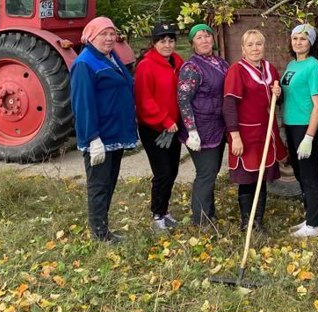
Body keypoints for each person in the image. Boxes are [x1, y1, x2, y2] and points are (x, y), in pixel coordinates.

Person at [70, 16, 138, 244]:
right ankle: (100, 234)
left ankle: (103, 228)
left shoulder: (111, 57)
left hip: (114, 133)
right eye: (104, 34)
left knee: (109, 183)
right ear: (91, 36)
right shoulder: (85, 63)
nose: (110, 38)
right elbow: (83, 104)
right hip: (100, 137)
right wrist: (92, 138)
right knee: (99, 185)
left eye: (112, 33)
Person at [223, 29, 287, 232]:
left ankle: (258, 221)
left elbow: (278, 100)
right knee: (247, 178)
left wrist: (279, 93)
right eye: (250, 44)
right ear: (243, 48)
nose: (255, 48)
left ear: (264, 46)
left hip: (266, 134)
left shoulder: (270, 69)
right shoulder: (237, 70)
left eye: (258, 44)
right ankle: (246, 222)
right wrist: (235, 137)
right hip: (245, 135)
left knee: (262, 178)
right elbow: (229, 104)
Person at [176, 23, 229, 227]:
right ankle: (201, 220)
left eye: (207, 36)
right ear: (192, 43)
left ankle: (209, 213)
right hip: (200, 128)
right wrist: (191, 131)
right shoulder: (192, 68)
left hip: (217, 125)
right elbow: (183, 99)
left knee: (212, 170)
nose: (205, 40)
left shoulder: (220, 63)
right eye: (199, 37)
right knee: (206, 173)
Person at [134, 23, 184, 231]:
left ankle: (165, 211)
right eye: (162, 41)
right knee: (162, 171)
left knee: (172, 170)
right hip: (155, 128)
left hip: (174, 127)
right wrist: (165, 120)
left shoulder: (177, 62)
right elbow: (145, 100)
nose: (167, 44)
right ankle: (157, 215)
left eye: (170, 40)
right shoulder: (146, 66)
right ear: (154, 43)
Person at [281, 23, 318, 238]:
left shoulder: (313, 67)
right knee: (299, 173)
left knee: (308, 174)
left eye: (303, 39)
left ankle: (315, 224)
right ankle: (310, 216)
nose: (298, 42)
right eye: (295, 38)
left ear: (311, 43)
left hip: (305, 126)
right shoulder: (291, 64)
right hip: (290, 124)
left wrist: (309, 136)